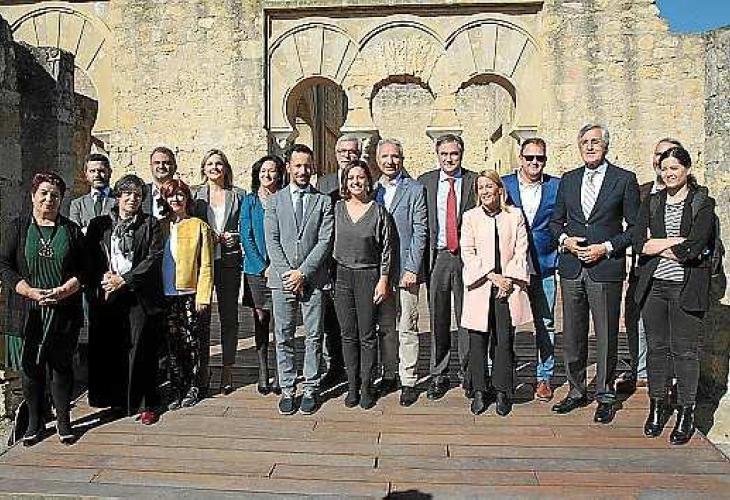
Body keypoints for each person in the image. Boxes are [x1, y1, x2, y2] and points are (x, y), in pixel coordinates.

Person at [550, 124, 640, 424]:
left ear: (606, 146)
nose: (589, 147)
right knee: (573, 335)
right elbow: (556, 222)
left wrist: (606, 247)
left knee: (606, 335)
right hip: (572, 268)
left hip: (605, 268)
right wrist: (565, 241)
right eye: (585, 142)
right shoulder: (568, 179)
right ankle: (576, 391)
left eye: (595, 142)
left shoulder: (624, 179)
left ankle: (605, 395)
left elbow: (635, 228)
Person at [633, 146, 716, 445]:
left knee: (684, 352)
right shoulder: (652, 201)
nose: (669, 173)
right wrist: (675, 242)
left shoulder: (702, 203)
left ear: (687, 169)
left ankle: (685, 411)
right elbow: (638, 243)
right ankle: (657, 406)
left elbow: (694, 248)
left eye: (674, 168)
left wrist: (658, 245)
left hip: (686, 287)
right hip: (654, 286)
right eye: (664, 168)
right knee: (656, 349)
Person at [0, 172, 85, 445]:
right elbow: (4, 266)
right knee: (31, 368)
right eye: (44, 193)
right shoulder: (17, 227)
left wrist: (63, 291)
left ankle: (63, 421)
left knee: (61, 367)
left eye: (55, 195)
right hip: (27, 310)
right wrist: (29, 291)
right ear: (33, 196)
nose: (49, 199)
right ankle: (35, 423)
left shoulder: (71, 230)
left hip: (63, 310)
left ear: (61, 199)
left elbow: (84, 270)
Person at [85, 174, 164, 425]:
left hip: (138, 294)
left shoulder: (150, 224)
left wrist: (125, 280)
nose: (132, 199)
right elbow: (90, 256)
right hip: (108, 293)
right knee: (114, 348)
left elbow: (153, 257)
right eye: (127, 194)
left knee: (141, 348)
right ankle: (118, 401)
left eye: (137, 195)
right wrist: (105, 278)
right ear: (117, 196)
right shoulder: (100, 224)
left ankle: (147, 404)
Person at [265, 144, 334, 415]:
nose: (303, 171)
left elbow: (325, 240)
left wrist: (302, 273)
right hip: (282, 280)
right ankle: (287, 387)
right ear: (289, 167)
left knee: (314, 336)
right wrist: (289, 274)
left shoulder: (323, 201)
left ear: (313, 167)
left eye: (307, 165)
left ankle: (311, 387)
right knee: (283, 336)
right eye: (298, 166)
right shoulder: (274, 201)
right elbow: (272, 240)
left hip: (313, 278)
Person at [461, 170, 532, 416]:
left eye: (489, 186)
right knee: (478, 339)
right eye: (481, 187)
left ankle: (502, 390)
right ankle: (480, 389)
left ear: (499, 189)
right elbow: (468, 252)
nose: (485, 191)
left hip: (507, 288)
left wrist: (508, 279)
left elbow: (521, 249)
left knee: (503, 339)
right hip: (480, 284)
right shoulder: (470, 217)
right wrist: (492, 276)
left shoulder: (514, 216)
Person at [618, 137, 684, 394]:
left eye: (667, 154)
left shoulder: (692, 194)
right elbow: (636, 236)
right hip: (642, 268)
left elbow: (691, 240)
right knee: (636, 321)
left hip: (677, 272)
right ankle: (641, 371)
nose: (661, 160)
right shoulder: (641, 192)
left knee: (672, 327)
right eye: (658, 154)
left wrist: (657, 246)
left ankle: (671, 376)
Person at [417, 134, 478, 400]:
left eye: (454, 154)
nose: (449, 159)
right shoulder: (425, 182)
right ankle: (439, 374)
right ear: (437, 155)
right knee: (438, 318)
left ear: (461, 154)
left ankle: (468, 373)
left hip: (466, 257)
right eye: (444, 154)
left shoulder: (475, 181)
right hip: (438, 257)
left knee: (467, 317)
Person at [502, 138, 560, 402]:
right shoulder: (505, 185)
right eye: (530, 157)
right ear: (521, 159)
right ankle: (504, 372)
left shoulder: (556, 186)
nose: (535, 162)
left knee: (545, 322)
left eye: (540, 158)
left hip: (545, 263)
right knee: (508, 321)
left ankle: (544, 376)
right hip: (512, 266)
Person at [334, 160, 393, 409]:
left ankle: (367, 385)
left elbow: (387, 249)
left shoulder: (378, 211)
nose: (356, 182)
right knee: (348, 335)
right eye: (351, 178)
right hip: (342, 277)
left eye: (360, 177)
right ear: (345, 183)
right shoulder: (337, 209)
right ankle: (352, 385)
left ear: (368, 181)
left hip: (368, 276)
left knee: (367, 335)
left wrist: (383, 279)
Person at [373, 139, 428, 406]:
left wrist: (412, 268)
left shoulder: (415, 189)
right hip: (379, 271)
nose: (390, 161)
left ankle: (408, 379)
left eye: (395, 156)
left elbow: (420, 231)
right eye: (385, 156)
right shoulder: (371, 189)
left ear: (402, 159)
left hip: (406, 270)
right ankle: (388, 373)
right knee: (385, 326)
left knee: (408, 325)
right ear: (377, 160)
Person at [192, 149, 244, 395]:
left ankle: (227, 369)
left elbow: (245, 227)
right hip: (202, 263)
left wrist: (236, 237)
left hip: (229, 262)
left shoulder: (239, 195)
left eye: (219, 164)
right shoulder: (195, 196)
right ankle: (203, 368)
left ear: (226, 168)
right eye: (210, 164)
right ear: (204, 169)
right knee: (201, 316)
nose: (214, 168)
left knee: (229, 317)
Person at [160, 179, 214, 409]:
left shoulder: (199, 226)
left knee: (191, 342)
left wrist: (203, 296)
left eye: (180, 194)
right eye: (171, 195)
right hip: (165, 293)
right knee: (172, 344)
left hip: (189, 292)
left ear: (187, 199)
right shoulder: (159, 226)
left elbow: (207, 264)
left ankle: (193, 386)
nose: (176, 199)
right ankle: (176, 386)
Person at [316, 135, 362, 388]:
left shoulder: (366, 180)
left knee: (357, 316)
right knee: (331, 318)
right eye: (343, 151)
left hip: (357, 261)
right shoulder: (324, 183)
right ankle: (335, 366)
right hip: (329, 260)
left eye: (352, 151)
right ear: (335, 154)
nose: (347, 155)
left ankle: (359, 368)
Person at [240, 155, 286, 394]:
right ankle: (263, 370)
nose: (267, 175)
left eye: (272, 170)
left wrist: (277, 265)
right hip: (255, 270)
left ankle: (280, 371)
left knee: (280, 320)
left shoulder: (284, 199)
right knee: (260, 320)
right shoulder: (249, 201)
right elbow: (246, 236)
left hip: (280, 268)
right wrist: (261, 266)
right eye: (263, 171)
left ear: (279, 174)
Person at [68, 153, 116, 232]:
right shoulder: (77, 205)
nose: (97, 175)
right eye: (92, 171)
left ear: (110, 172)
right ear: (86, 174)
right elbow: (75, 233)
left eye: (101, 171)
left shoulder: (119, 201)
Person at [143, 146, 178, 219]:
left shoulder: (185, 193)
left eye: (166, 163)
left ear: (175, 167)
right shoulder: (142, 193)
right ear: (151, 167)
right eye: (157, 163)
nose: (161, 166)